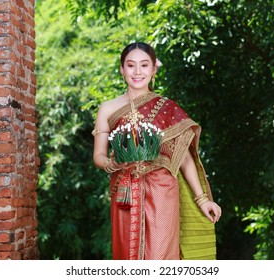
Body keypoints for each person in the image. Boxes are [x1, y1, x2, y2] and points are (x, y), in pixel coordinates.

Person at [92, 42, 221, 260]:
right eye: (131, 65)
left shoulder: (167, 108)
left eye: (144, 65)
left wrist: (202, 199)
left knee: (161, 256)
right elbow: (98, 156)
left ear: (154, 70)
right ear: (122, 69)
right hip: (125, 192)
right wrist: (111, 164)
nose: (137, 72)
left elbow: (184, 158)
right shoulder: (108, 108)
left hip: (162, 191)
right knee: (127, 255)